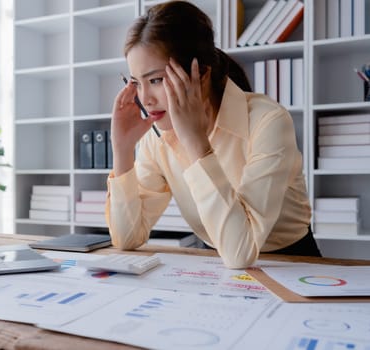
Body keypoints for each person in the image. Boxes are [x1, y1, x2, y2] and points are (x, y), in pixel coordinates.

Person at [106, 0, 321, 269]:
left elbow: (240, 252)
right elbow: (127, 239)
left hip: (292, 263)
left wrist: (196, 143)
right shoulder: (157, 137)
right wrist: (122, 151)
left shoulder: (268, 121)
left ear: (201, 74)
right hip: (215, 264)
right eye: (136, 83)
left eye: (156, 80)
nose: (145, 99)